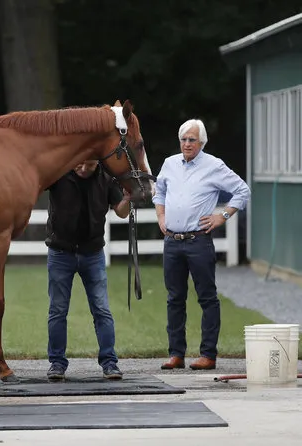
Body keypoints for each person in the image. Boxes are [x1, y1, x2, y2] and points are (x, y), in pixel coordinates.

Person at [152, 118, 250, 371]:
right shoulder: (169, 164)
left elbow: (242, 191)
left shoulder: (214, 166)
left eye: (192, 140)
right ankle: (176, 354)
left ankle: (208, 355)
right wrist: (161, 216)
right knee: (174, 299)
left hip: (198, 241)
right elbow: (159, 191)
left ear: (202, 142)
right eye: (183, 139)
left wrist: (223, 215)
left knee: (207, 298)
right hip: (172, 241)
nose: (186, 144)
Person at [45, 160, 131, 380]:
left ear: (97, 162)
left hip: (92, 253)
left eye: (89, 165)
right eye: (80, 164)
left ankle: (110, 363)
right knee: (57, 310)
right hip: (60, 252)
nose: (83, 169)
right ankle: (56, 363)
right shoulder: (58, 172)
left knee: (101, 309)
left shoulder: (106, 178)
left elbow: (121, 212)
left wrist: (129, 198)